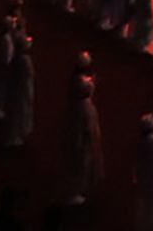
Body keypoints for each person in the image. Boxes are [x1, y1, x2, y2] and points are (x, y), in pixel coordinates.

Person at [60, 56, 101, 209]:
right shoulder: (83, 107)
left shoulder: (76, 98)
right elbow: (87, 129)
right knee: (78, 162)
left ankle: (74, 189)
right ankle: (73, 192)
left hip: (75, 133)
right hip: (79, 139)